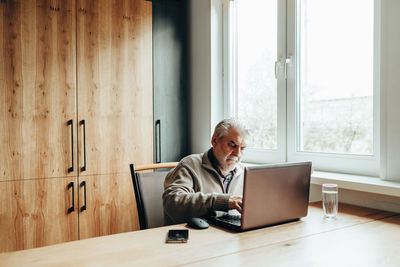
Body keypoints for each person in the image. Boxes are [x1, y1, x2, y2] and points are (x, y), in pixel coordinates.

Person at [163, 118, 248, 225]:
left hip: (231, 236)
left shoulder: (245, 172)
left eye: (243, 148)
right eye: (232, 145)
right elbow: (173, 203)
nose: (237, 154)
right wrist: (220, 202)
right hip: (195, 235)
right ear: (214, 141)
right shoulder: (188, 165)